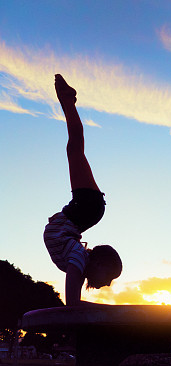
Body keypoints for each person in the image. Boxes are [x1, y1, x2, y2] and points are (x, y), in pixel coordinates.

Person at [44, 74, 122, 306]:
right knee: (75, 148)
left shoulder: (77, 262)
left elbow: (73, 304)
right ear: (98, 264)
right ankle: (68, 101)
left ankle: (68, 102)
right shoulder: (79, 259)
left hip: (84, 212)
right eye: (109, 277)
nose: (107, 284)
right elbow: (73, 306)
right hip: (86, 208)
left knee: (75, 148)